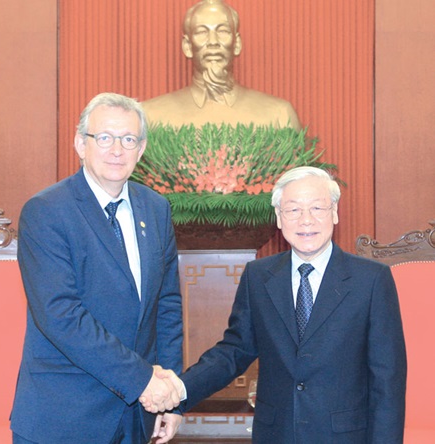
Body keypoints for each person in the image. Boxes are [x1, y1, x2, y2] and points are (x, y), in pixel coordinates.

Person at [152, 166, 407, 443]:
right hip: (276, 433)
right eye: (294, 210)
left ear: (334, 212)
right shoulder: (258, 276)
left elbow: (388, 380)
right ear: (279, 218)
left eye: (317, 208)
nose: (306, 220)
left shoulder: (371, 280)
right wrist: (179, 389)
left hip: (344, 436)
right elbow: (234, 352)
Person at [10, 92, 183, 444]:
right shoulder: (46, 211)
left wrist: (173, 398)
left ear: (142, 148)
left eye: (128, 139)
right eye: (104, 137)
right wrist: (143, 380)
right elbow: (61, 315)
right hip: (63, 417)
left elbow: (167, 308)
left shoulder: (156, 209)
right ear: (80, 144)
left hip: (136, 418)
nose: (116, 150)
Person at [143, 0, 301, 130]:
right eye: (202, 32)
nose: (213, 41)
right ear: (187, 46)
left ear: (237, 43)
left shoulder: (278, 115)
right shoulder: (152, 116)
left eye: (223, 31)